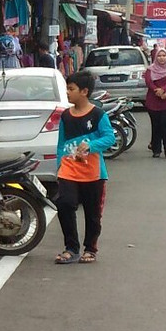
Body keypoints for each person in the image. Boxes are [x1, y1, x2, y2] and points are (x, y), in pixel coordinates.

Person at [54, 70, 116, 266]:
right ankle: (71, 248)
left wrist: (91, 146)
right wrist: (59, 166)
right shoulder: (65, 116)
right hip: (68, 169)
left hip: (93, 173)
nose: (67, 92)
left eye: (71, 89)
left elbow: (109, 138)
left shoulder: (98, 115)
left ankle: (90, 248)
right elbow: (61, 143)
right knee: (65, 204)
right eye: (67, 88)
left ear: (84, 91)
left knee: (92, 213)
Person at [143, 48, 166, 158]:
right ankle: (156, 149)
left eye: (164, 56)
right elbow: (149, 82)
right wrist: (158, 91)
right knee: (156, 125)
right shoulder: (150, 69)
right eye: (159, 56)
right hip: (153, 101)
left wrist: (163, 90)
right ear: (155, 57)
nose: (161, 58)